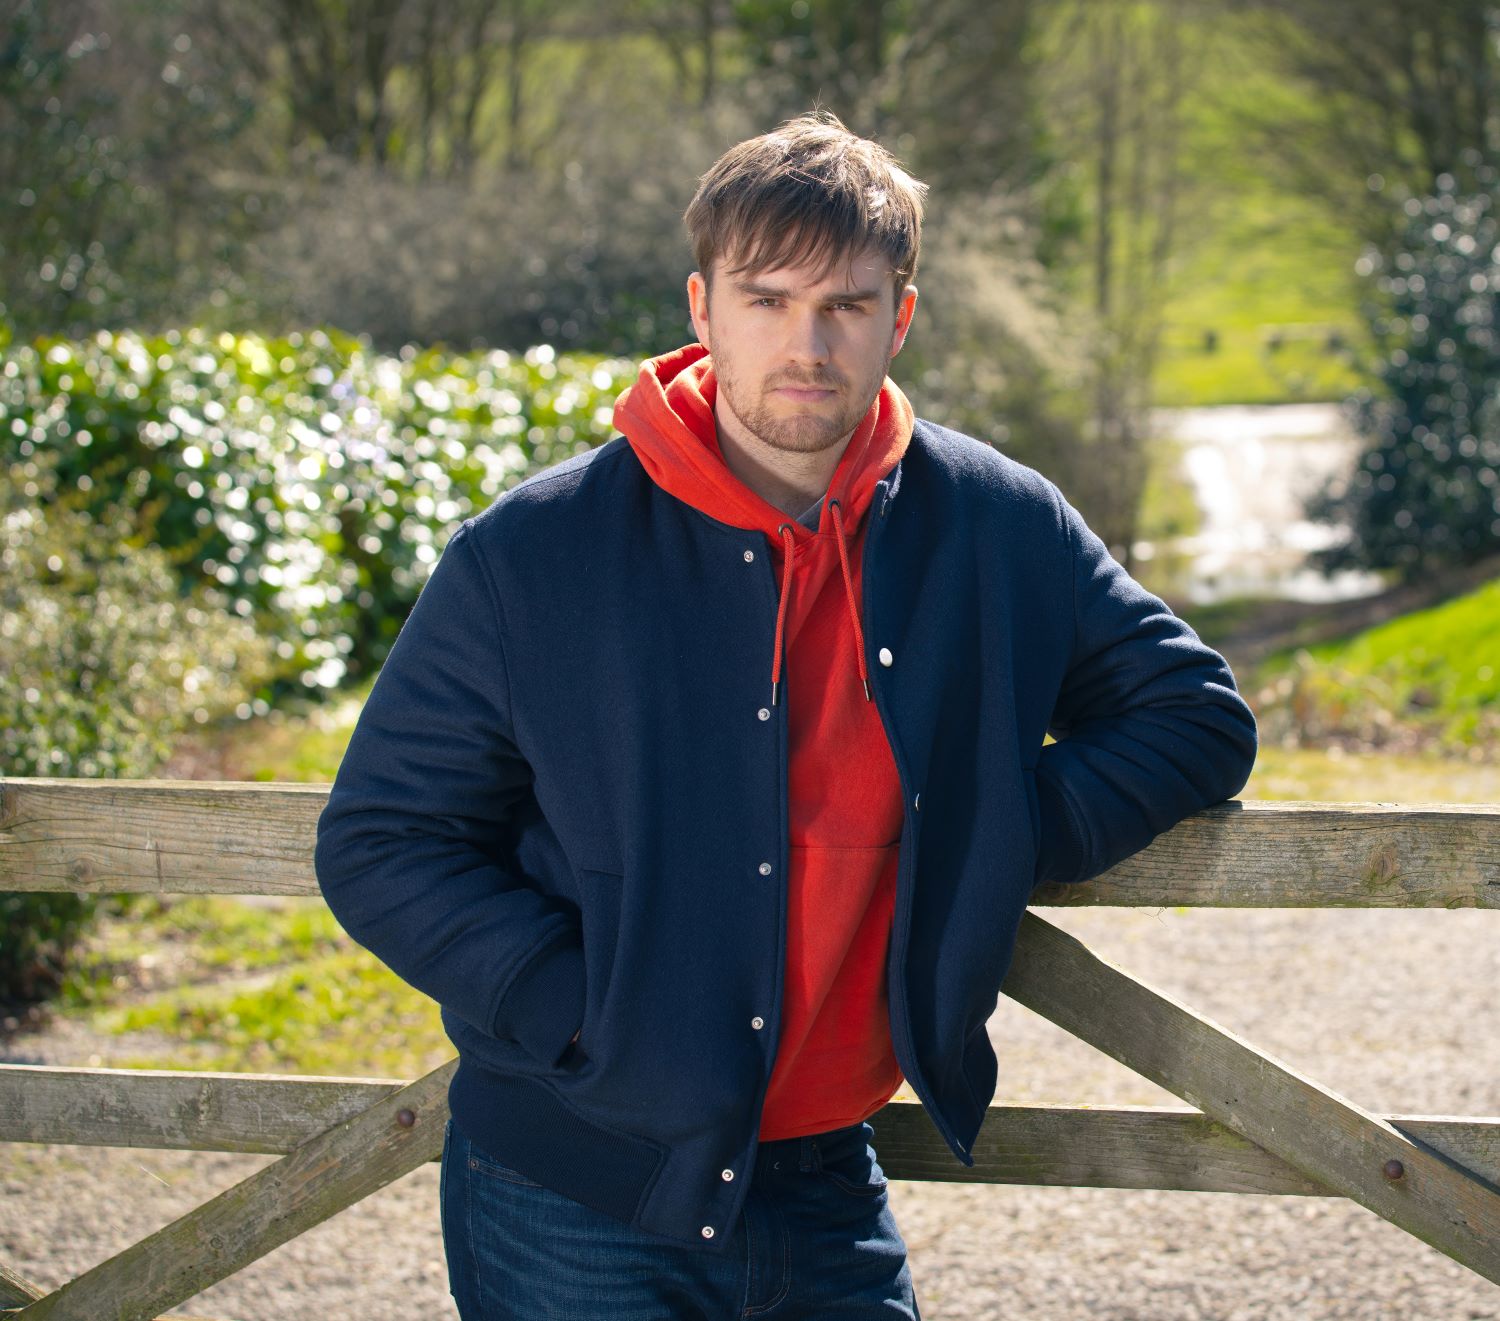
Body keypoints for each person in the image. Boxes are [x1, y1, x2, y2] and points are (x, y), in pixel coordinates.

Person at [314, 110, 1257, 1319]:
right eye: (767, 300)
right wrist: (576, 1018)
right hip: (576, 1179)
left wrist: (995, 829)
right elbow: (382, 839)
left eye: (848, 306)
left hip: (825, 1181)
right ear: (702, 310)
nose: (807, 344)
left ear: (899, 317)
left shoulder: (996, 521)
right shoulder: (531, 554)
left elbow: (1193, 715)